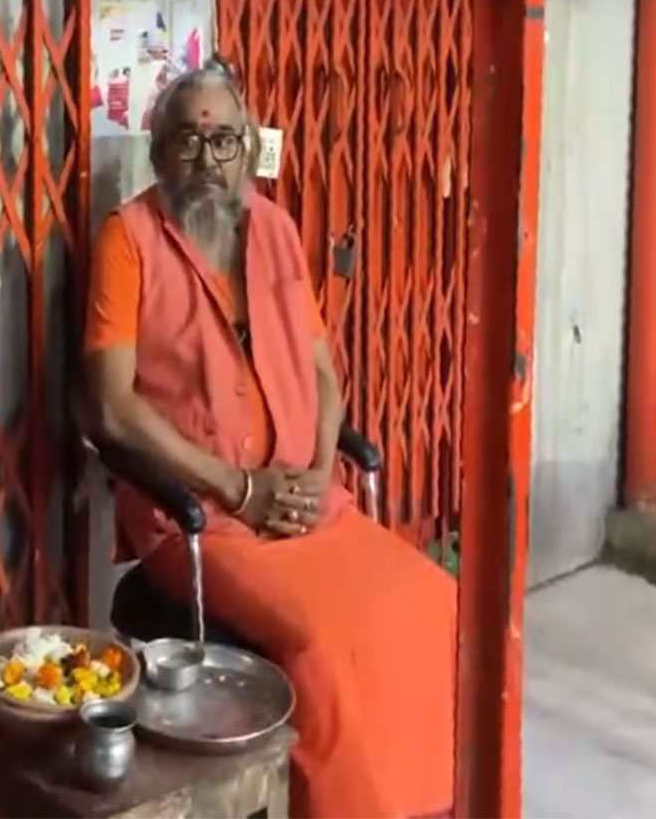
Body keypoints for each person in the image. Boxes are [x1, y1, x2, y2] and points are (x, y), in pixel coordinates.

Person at [83, 63, 456, 819]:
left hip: (308, 503)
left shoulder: (278, 230)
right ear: (159, 154)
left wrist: (319, 473)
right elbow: (111, 408)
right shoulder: (129, 242)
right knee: (320, 647)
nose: (207, 160)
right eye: (187, 139)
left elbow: (324, 375)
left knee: (436, 602)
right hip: (204, 522)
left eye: (224, 139)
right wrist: (238, 488)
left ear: (247, 150)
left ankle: (431, 803)